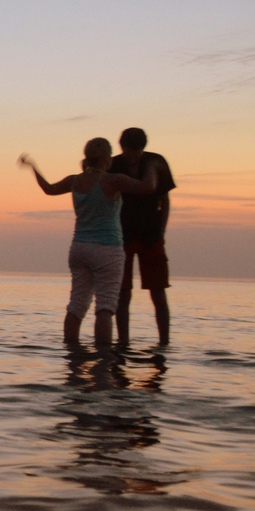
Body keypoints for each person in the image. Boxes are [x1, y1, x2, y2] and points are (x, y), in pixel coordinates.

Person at [20, 138, 157, 347]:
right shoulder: (113, 180)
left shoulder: (75, 180)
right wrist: (151, 165)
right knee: (105, 307)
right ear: (106, 159)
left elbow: (48, 188)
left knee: (77, 305)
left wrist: (33, 167)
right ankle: (103, 360)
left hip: (79, 248)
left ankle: (71, 357)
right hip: (108, 249)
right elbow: (148, 188)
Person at [110, 127, 176, 346]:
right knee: (122, 293)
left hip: (151, 234)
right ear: (122, 147)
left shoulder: (156, 161)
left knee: (158, 292)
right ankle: (123, 342)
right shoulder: (114, 165)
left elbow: (164, 200)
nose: (133, 156)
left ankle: (164, 342)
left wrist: (162, 231)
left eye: (137, 152)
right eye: (130, 151)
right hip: (122, 235)